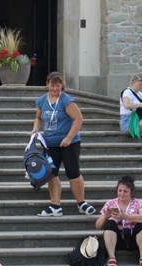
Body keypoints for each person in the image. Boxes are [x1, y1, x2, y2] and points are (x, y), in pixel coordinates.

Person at [32, 71, 95, 217]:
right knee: (51, 174)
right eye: (52, 85)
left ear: (62, 86)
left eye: (58, 85)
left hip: (68, 143)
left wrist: (68, 137)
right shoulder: (42, 100)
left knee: (73, 172)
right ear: (47, 85)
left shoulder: (67, 101)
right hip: (50, 143)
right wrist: (36, 128)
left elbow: (78, 119)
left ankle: (81, 203)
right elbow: (38, 117)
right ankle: (55, 205)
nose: (55, 88)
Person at [95, 176, 142, 266]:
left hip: (133, 238)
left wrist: (126, 217)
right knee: (110, 224)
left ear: (132, 192)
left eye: (125, 191)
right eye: (120, 190)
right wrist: (105, 216)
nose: (122, 194)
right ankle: (112, 258)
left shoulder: (138, 203)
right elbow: (98, 226)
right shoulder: (110, 203)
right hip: (117, 239)